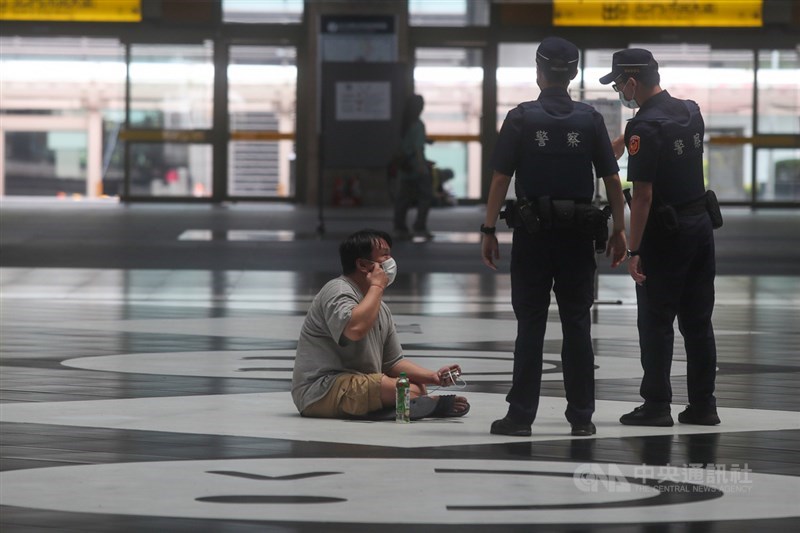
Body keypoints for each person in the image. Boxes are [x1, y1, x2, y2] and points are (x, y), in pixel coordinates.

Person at [481, 37, 627, 438]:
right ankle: (582, 417)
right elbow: (611, 177)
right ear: (575, 73)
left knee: (530, 325)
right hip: (579, 236)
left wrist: (489, 228)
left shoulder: (521, 118)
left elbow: (500, 177)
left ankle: (521, 416)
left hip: (532, 236)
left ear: (538, 71)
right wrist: (619, 229)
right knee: (577, 324)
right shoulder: (590, 120)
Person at [600, 49, 720, 426]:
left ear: (633, 82)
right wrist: (623, 139)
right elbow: (659, 126)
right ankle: (704, 405)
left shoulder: (643, 127)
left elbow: (644, 195)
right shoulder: (690, 110)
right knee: (698, 322)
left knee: (655, 323)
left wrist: (635, 249)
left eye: (620, 83)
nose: (620, 89)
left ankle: (656, 406)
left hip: (665, 236)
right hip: (701, 227)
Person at [292, 228, 469, 419]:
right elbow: (354, 329)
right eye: (385, 256)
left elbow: (393, 363)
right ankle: (420, 405)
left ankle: (396, 407)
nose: (391, 262)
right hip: (322, 389)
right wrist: (377, 286)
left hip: (361, 382)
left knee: (417, 386)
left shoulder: (379, 307)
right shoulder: (337, 290)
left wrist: (433, 377)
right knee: (410, 391)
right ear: (362, 264)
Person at [393, 94, 434, 241]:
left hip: (405, 167)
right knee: (425, 196)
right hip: (416, 167)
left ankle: (400, 227)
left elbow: (407, 144)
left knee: (403, 198)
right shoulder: (418, 124)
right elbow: (417, 148)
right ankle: (420, 226)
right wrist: (422, 165)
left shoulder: (404, 124)